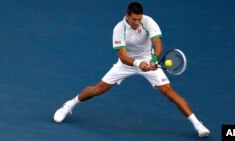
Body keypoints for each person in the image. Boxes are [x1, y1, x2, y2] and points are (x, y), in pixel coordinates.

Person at [53, 2, 210, 137]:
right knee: (98, 89)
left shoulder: (148, 21)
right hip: (126, 64)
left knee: (170, 93)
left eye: (139, 19)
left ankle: (198, 125)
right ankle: (69, 105)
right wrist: (137, 64)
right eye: (134, 19)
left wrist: (154, 60)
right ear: (127, 16)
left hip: (148, 61)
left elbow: (158, 44)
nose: (137, 22)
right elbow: (122, 56)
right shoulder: (119, 29)